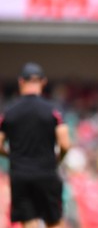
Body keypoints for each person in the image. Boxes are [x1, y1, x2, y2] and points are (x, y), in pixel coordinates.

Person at [0, 62, 71, 228]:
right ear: (43, 81)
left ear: (20, 81)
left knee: (28, 221)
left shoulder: (9, 111)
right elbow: (65, 144)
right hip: (46, 173)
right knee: (54, 221)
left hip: (20, 174)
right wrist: (57, 160)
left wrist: (10, 155)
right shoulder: (53, 110)